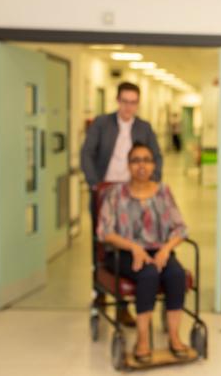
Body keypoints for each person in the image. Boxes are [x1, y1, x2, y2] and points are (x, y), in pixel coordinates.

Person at [97, 142, 190, 362]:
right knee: (148, 274)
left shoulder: (163, 192)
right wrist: (134, 247)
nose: (142, 165)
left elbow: (181, 228)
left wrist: (166, 250)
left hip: (158, 251)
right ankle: (143, 340)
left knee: (176, 274)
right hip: (123, 252)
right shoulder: (115, 194)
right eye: (136, 160)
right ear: (128, 165)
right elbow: (104, 231)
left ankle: (174, 337)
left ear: (153, 165)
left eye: (147, 160)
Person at [81, 82, 163, 327]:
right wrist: (95, 185)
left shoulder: (144, 128)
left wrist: (153, 185)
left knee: (133, 242)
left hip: (135, 194)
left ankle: (124, 306)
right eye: (125, 101)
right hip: (106, 191)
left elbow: (156, 156)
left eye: (133, 102)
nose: (129, 107)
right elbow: (87, 153)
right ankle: (101, 294)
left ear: (138, 103)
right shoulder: (102, 124)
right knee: (103, 245)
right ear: (117, 101)